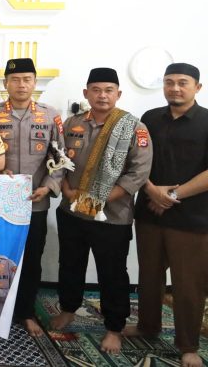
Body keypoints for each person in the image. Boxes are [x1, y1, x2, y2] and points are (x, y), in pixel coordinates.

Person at [50, 67, 152, 354]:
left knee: (112, 273)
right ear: (86, 93)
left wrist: (94, 202)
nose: (102, 95)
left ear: (118, 94)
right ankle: (68, 309)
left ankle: (114, 328)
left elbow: (137, 174)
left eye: (108, 90)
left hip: (112, 217)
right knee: (69, 264)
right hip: (71, 211)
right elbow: (58, 158)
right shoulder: (72, 123)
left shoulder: (134, 128)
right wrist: (68, 192)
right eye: (96, 89)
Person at [123, 63, 208, 367]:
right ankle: (148, 325)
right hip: (149, 212)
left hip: (192, 219)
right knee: (149, 275)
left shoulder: (207, 121)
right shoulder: (150, 119)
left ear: (197, 87)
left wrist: (171, 195)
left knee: (188, 284)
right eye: (169, 82)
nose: (175, 88)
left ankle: (187, 345)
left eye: (182, 83)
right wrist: (151, 190)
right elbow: (137, 159)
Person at [0, 58, 69, 336]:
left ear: (34, 82)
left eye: (27, 79)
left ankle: (25, 312)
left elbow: (60, 157)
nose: (21, 85)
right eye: (15, 79)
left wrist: (48, 186)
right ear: (6, 83)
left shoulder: (49, 115)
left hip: (36, 202)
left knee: (31, 259)